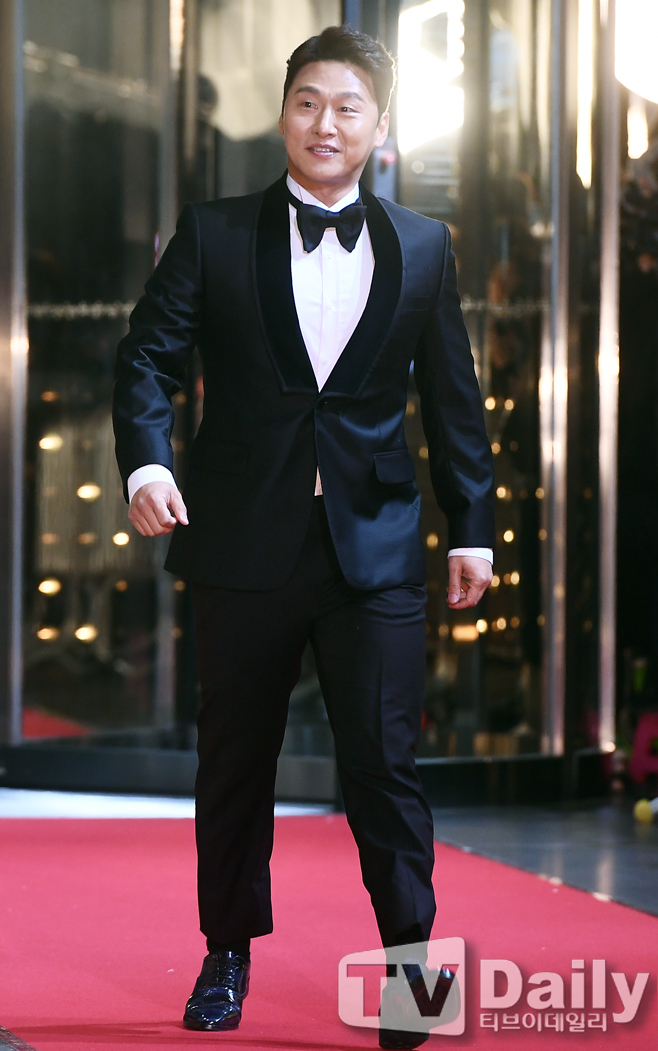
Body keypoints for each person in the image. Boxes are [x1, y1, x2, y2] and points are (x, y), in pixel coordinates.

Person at [113, 25, 494, 1049]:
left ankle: (410, 969)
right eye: (308, 103)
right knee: (236, 760)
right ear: (284, 114)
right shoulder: (215, 230)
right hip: (241, 539)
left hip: (375, 545)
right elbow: (147, 357)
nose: (326, 124)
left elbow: (454, 401)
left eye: (347, 107)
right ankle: (226, 953)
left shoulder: (424, 244)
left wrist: (473, 527)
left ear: (380, 125)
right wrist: (148, 463)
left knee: (384, 763)